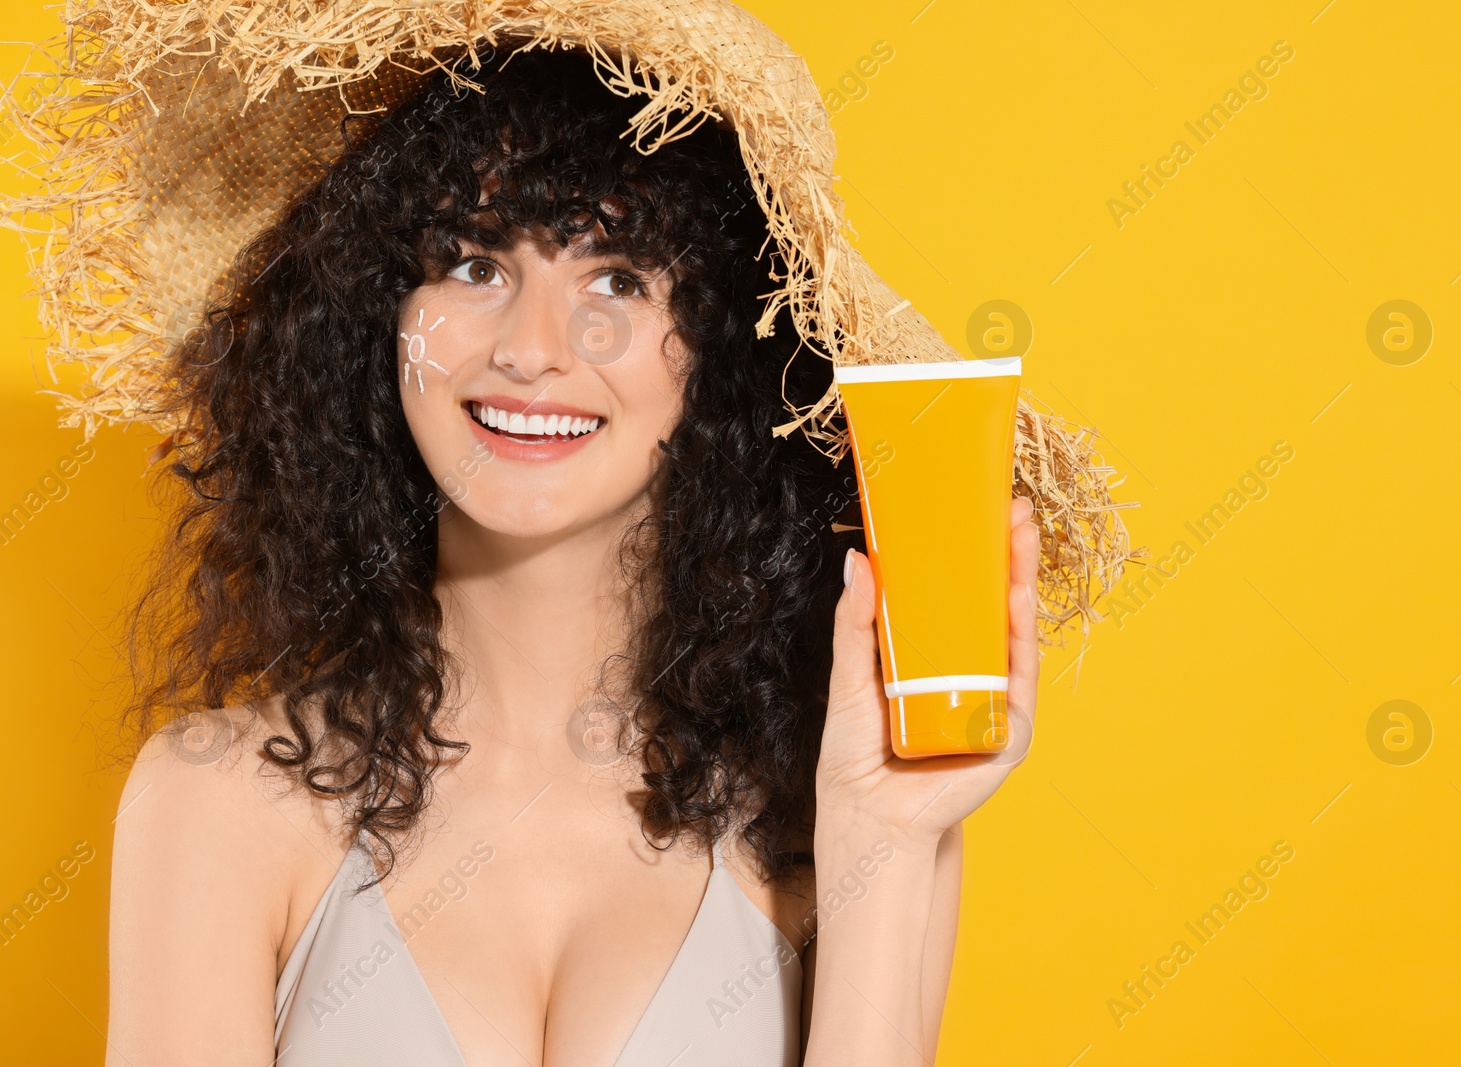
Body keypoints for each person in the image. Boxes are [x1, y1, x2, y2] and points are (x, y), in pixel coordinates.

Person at [101, 37, 1048, 1067]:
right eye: (473, 262)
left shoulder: (847, 812)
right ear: (377, 316)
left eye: (620, 279)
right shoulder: (217, 801)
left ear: (723, 349)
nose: (532, 346)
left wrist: (885, 839)